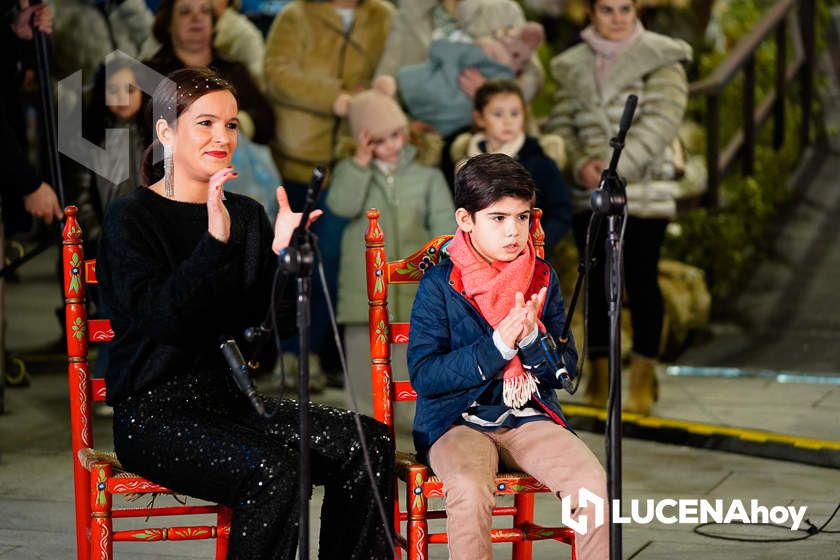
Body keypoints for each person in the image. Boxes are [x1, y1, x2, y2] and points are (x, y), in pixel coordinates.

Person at [96, 67, 394, 559]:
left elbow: (260, 340)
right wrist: (213, 245)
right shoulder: (131, 217)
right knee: (275, 468)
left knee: (368, 442)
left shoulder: (248, 215)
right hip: (153, 413)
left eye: (231, 125)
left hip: (233, 402)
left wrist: (283, 261)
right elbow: (159, 322)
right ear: (166, 131)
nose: (222, 137)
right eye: (206, 123)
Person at [407, 153, 608, 559]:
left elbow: (564, 373)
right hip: (455, 421)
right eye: (498, 218)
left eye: (522, 217)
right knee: (467, 486)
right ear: (466, 220)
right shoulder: (440, 284)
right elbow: (425, 375)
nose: (514, 232)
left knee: (593, 486)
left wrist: (533, 338)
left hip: (527, 415)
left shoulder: (541, 276)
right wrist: (498, 346)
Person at [545, 0, 692, 414]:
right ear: (590, 12)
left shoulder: (662, 56)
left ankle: (643, 377)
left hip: (640, 189)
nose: (616, 17)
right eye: (606, 9)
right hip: (589, 189)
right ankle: (599, 376)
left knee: (640, 278)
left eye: (624, 8)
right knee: (594, 280)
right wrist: (579, 165)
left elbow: (663, 120)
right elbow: (560, 124)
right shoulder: (572, 64)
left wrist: (616, 168)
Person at [326, 88, 454, 417]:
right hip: (362, 289)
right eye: (379, 141)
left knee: (415, 360)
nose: (392, 146)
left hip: (417, 288)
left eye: (397, 135)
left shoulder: (427, 173)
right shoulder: (351, 171)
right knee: (363, 361)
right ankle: (366, 430)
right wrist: (359, 164)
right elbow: (340, 205)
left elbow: (445, 226)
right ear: (363, 141)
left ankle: (416, 431)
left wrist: (445, 264)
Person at [450, 78, 572, 254]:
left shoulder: (539, 160)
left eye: (515, 113)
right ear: (479, 118)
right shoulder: (462, 162)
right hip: (474, 255)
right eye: (498, 114)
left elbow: (560, 210)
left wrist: (538, 244)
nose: (508, 121)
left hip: (525, 253)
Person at [144, 0, 275, 145]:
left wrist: (235, 124)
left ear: (213, 23)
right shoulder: (150, 74)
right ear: (168, 24)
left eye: (205, 11)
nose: (197, 18)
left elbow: (266, 122)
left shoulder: (234, 70)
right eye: (185, 12)